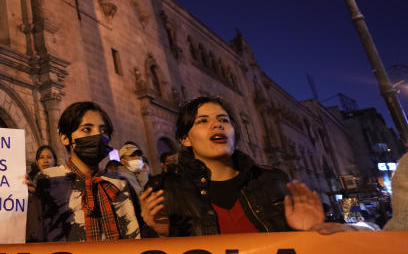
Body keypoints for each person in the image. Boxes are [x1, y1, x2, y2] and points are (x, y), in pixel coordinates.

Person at [139, 96, 324, 236]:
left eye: (224, 120)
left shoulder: (272, 180)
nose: (217, 125)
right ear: (185, 139)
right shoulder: (163, 190)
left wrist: (309, 232)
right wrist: (162, 233)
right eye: (203, 121)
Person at [27, 101, 142, 242]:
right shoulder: (47, 180)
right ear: (65, 138)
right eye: (87, 129)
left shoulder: (121, 182)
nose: (98, 136)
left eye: (103, 130)